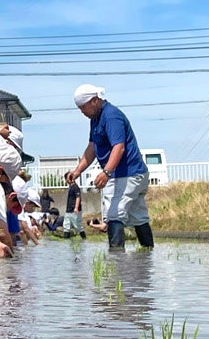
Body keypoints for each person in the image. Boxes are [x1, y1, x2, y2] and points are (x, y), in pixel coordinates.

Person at [66, 83, 154, 250]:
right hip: (125, 174)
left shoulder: (111, 116)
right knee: (138, 216)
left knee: (114, 214)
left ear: (94, 101)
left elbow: (118, 147)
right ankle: (148, 256)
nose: (82, 112)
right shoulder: (96, 119)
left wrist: (106, 172)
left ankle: (115, 261)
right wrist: (77, 171)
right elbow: (92, 148)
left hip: (128, 173)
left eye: (83, 108)